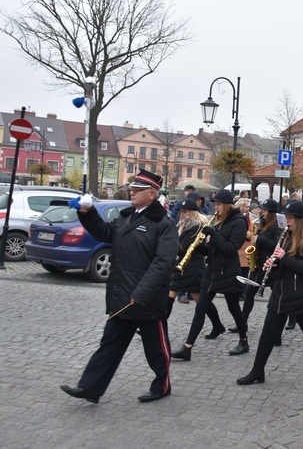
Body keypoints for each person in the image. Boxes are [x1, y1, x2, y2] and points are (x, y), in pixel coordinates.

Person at [60, 170, 178, 404]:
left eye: (138, 189)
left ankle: (162, 385)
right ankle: (90, 388)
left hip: (147, 299)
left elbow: (163, 263)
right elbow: (105, 233)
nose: (131, 192)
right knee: (109, 344)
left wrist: (142, 293)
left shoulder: (164, 224)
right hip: (122, 295)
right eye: (132, 188)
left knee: (155, 347)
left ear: (152, 194)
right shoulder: (126, 217)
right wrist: (88, 212)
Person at [237, 201, 303, 386]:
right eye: (286, 218)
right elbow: (283, 264)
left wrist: (284, 258)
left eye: (290, 218)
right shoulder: (286, 235)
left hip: (301, 292)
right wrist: (273, 264)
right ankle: (257, 371)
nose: (287, 222)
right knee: (267, 333)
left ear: (299, 219)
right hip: (281, 291)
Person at [171, 189, 250, 360]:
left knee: (234, 308)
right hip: (212, 270)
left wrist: (214, 234)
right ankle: (187, 347)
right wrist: (198, 246)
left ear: (228, 206)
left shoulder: (239, 222)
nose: (216, 208)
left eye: (219, 204)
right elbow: (212, 249)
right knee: (200, 308)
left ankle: (243, 341)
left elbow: (230, 249)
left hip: (228, 270)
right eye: (215, 204)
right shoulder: (218, 221)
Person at [169, 198, 224, 332]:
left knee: (201, 301)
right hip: (182, 268)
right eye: (181, 211)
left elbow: (184, 247)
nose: (182, 214)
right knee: (169, 297)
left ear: (193, 212)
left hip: (193, 268)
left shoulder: (197, 226)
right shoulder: (183, 224)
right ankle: (156, 325)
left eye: (185, 211)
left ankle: (217, 325)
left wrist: (169, 242)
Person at [229, 199, 282, 334]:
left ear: (271, 212)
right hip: (257, 263)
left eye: (264, 210)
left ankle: (291, 319)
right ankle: (243, 322)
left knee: (279, 294)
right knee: (249, 294)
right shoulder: (261, 224)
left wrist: (259, 239)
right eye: (261, 210)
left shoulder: (277, 226)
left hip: (270, 265)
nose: (261, 212)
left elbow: (277, 246)